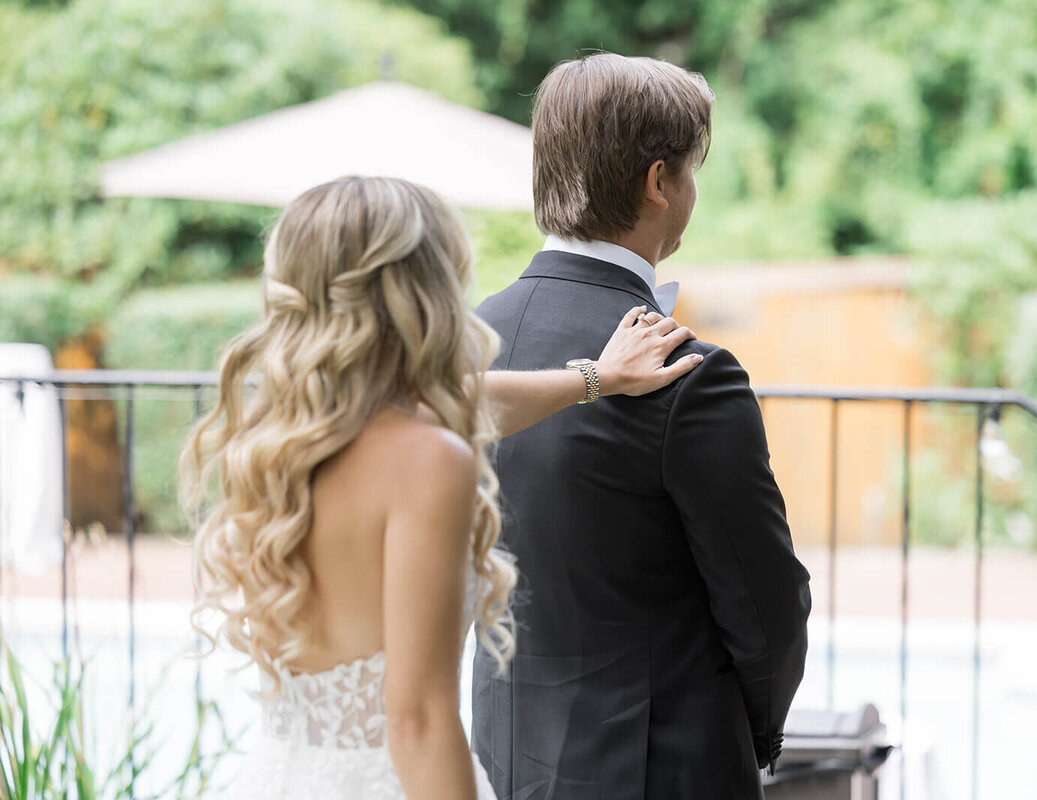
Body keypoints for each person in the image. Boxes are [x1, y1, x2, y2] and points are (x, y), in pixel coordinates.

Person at [181, 175, 702, 800]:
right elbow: (419, 721)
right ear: (427, 290)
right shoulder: (428, 460)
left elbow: (467, 399)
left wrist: (596, 378)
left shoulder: (279, 440)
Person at [473, 53, 813, 799]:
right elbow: (766, 603)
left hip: (502, 752)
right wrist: (757, 734)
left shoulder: (461, 344)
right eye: (692, 172)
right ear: (659, 183)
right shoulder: (689, 372)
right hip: (662, 766)